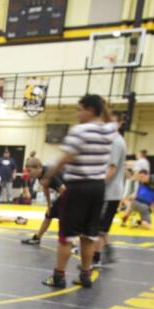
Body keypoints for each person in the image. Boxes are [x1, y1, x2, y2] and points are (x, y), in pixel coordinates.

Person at [41, 94, 117, 289]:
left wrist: (49, 176)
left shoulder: (80, 131)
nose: (77, 114)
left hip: (78, 187)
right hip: (98, 187)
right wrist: (102, 107)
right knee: (89, 235)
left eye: (79, 109)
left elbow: (65, 158)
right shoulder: (109, 130)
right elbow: (110, 119)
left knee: (66, 236)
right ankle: (85, 274)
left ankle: (59, 276)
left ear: (90, 110)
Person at [95, 109, 127, 267]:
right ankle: (108, 249)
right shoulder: (114, 140)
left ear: (120, 124)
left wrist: (98, 185)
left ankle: (95, 258)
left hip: (109, 193)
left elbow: (111, 169)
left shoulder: (115, 141)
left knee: (99, 228)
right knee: (101, 226)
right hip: (112, 192)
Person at [20, 162, 65, 245]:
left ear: (38, 168)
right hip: (68, 194)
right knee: (49, 215)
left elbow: (63, 189)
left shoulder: (49, 174)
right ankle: (37, 238)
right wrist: (49, 205)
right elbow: (45, 187)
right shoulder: (40, 175)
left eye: (30, 171)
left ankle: (71, 244)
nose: (28, 173)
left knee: (66, 219)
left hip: (72, 194)